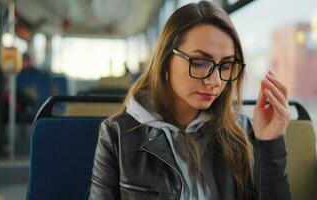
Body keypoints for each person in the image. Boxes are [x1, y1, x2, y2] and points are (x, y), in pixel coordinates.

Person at [90, 1, 291, 199]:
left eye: (226, 66)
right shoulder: (116, 134)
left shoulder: (242, 132)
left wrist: (270, 144)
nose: (215, 81)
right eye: (200, 62)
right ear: (166, 60)